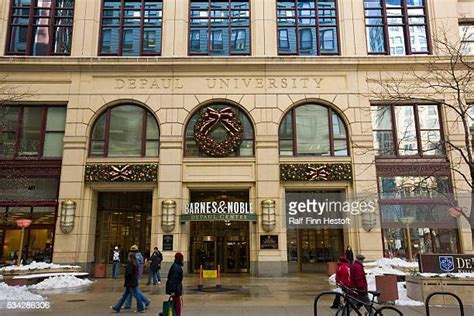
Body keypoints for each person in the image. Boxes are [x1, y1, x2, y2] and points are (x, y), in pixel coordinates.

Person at [124, 245, 150, 310]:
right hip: (135, 275)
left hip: (134, 276)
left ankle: (145, 301)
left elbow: (134, 267)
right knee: (130, 290)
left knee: (134, 291)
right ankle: (127, 304)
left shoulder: (136, 257)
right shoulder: (139, 256)